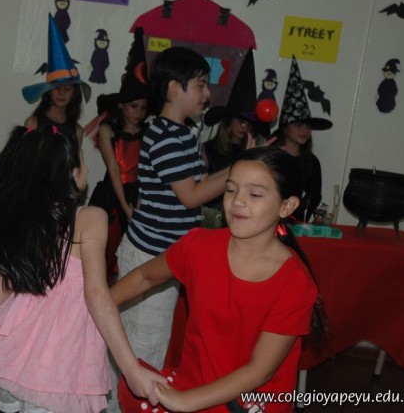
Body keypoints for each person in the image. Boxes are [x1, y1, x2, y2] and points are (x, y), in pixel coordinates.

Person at [0, 126, 165, 413]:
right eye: (82, 156)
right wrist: (131, 368)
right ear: (73, 174)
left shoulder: (26, 228)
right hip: (57, 372)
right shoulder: (90, 218)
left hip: (15, 367)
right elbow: (96, 293)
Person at [114, 147, 326, 413]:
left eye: (255, 194)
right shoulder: (199, 247)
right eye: (230, 189)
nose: (237, 201)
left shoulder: (294, 282)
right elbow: (145, 276)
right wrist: (95, 306)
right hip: (191, 387)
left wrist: (184, 402)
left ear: (287, 206)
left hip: (248, 403)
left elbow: (259, 371)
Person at [106, 46, 234, 412]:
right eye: (200, 85)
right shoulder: (163, 135)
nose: (207, 94)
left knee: (139, 342)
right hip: (150, 257)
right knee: (142, 349)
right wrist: (240, 169)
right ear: (175, 89)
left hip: (164, 255)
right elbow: (191, 196)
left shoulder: (181, 133)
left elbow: (197, 184)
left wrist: (237, 169)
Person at [89, 26, 152, 279]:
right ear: (122, 106)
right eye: (134, 106)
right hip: (112, 195)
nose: (139, 112)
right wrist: (126, 208)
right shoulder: (108, 130)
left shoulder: (147, 133)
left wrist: (138, 204)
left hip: (138, 194)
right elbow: (114, 168)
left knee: (133, 258)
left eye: (144, 108)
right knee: (105, 252)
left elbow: (146, 171)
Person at [202, 48, 271, 227]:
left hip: (240, 219)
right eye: (240, 121)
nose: (245, 127)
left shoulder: (252, 152)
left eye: (249, 123)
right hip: (210, 221)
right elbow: (200, 190)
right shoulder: (208, 149)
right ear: (228, 121)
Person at [274, 57, 332, 223]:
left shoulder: (311, 162)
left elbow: (314, 195)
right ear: (285, 128)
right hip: (268, 220)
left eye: (307, 126)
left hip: (296, 224)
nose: (304, 130)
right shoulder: (272, 157)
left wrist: (310, 218)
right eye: (299, 125)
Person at [23, 13, 91, 148]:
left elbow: (76, 161)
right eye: (57, 88)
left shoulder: (77, 131)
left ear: (74, 92)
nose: (62, 93)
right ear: (48, 91)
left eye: (68, 89)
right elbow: (25, 158)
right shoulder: (33, 124)